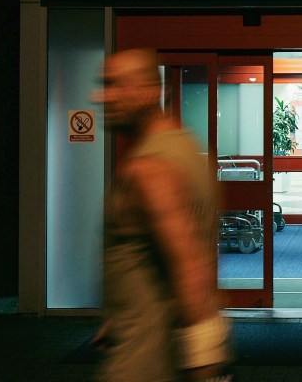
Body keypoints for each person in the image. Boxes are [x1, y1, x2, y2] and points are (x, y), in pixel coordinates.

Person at [91, 48, 232, 382]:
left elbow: (190, 270)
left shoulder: (149, 170)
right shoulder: (189, 149)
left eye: (113, 85)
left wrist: (210, 370)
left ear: (148, 91)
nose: (99, 96)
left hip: (141, 368)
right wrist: (123, 313)